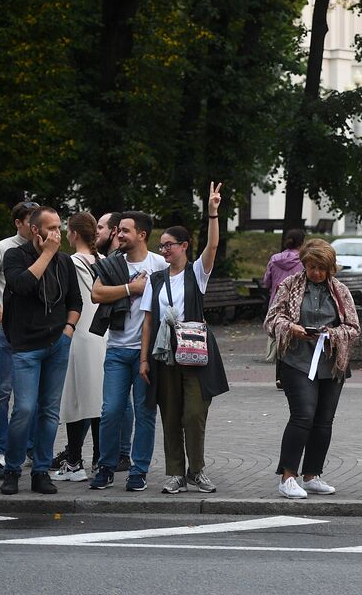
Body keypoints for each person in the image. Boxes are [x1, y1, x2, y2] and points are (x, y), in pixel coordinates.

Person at [142, 186, 228, 494]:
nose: (164, 250)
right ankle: (175, 473)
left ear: (184, 246)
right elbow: (148, 321)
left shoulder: (196, 273)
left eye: (169, 245)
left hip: (195, 353)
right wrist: (143, 359)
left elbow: (214, 246)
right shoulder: (155, 279)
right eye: (162, 245)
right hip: (165, 355)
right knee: (170, 414)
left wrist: (212, 211)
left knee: (194, 413)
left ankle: (197, 470)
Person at [264, 238, 361, 499]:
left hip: (331, 364)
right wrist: (291, 328)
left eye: (321, 268)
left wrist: (332, 333)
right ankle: (287, 477)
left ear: (331, 267)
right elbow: (272, 319)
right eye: (311, 267)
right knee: (303, 415)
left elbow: (353, 328)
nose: (316, 273)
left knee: (323, 420)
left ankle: (312, 475)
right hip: (296, 360)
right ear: (304, 265)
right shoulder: (289, 285)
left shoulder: (340, 291)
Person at [0, 207, 82, 495]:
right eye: (51, 228)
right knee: (24, 409)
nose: (57, 233)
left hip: (57, 344)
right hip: (25, 348)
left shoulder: (65, 262)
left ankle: (40, 471)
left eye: (59, 227)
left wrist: (68, 332)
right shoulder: (15, 256)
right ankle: (11, 470)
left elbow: (75, 301)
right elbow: (21, 285)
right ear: (36, 231)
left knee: (49, 411)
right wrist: (46, 254)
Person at [88, 210, 166, 492]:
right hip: (118, 350)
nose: (118, 235)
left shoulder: (159, 264)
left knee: (145, 413)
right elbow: (97, 294)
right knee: (111, 411)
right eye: (118, 230)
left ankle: (139, 470)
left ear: (141, 235)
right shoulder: (112, 263)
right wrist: (131, 287)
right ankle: (106, 467)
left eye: (125, 231)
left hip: (148, 352)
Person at [0, 199, 38, 466]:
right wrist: (3, 316)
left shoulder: (42, 249)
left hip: (36, 330)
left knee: (34, 392)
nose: (36, 227)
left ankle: (30, 447)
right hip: (8, 329)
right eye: (30, 221)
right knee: (3, 389)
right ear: (18, 223)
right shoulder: (0, 249)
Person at [50, 212, 107, 482]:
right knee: (97, 401)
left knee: (74, 400)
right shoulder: (105, 261)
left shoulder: (69, 262)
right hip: (103, 335)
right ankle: (99, 459)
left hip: (78, 334)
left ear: (73, 234)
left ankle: (74, 462)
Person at [263, 228, 306, 306]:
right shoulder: (304, 261)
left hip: (276, 302)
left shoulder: (274, 259)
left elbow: (266, 283)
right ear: (302, 243)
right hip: (296, 304)